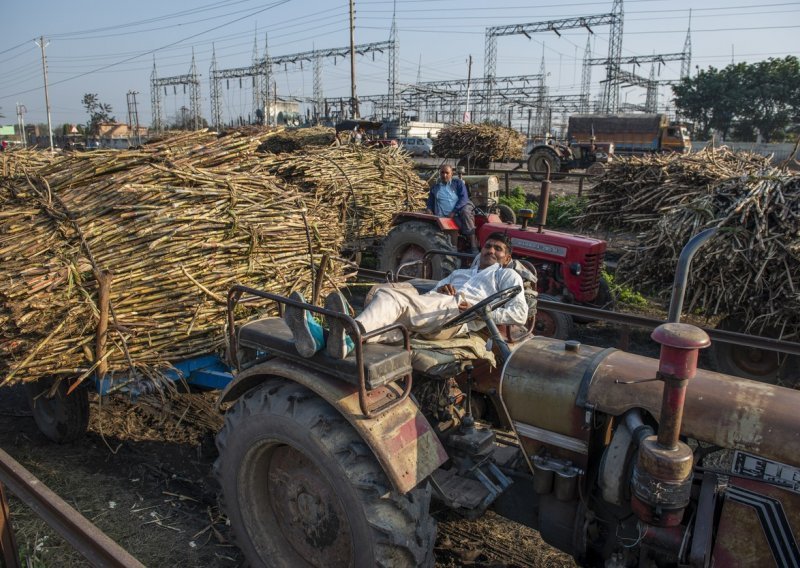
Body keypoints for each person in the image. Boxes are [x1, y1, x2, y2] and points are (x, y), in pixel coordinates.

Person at [285, 232, 527, 359]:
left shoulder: (506, 277)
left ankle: (349, 330)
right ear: (481, 249)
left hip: (457, 317)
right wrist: (441, 288)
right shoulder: (461, 273)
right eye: (488, 246)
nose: (491, 251)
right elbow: (432, 293)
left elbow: (520, 313)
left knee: (392, 298)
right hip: (436, 306)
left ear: (507, 258)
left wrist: (479, 309)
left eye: (498, 249)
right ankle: (324, 338)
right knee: (389, 307)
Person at [426, 165, 478, 253]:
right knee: (455, 228)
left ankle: (474, 244)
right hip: (447, 215)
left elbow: (464, 198)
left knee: (465, 212)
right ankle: (455, 250)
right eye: (442, 173)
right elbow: (430, 202)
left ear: (451, 174)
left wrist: (454, 211)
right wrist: (429, 209)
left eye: (447, 173)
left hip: (461, 208)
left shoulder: (458, 183)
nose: (444, 175)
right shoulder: (435, 188)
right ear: (439, 173)